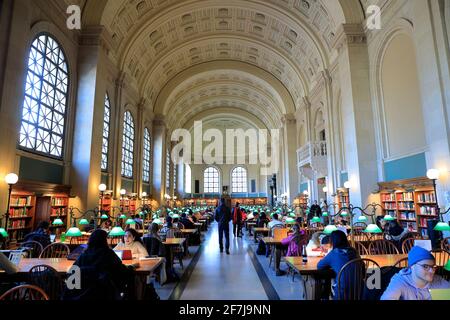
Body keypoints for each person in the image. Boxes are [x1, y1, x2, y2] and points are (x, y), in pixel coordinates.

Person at [64, 229, 136, 300]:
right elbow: (121, 271)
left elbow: (72, 274)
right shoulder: (108, 254)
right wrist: (131, 267)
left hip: (82, 296)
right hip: (104, 295)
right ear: (104, 241)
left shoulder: (84, 255)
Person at [381, 246, 450, 300]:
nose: (432, 271)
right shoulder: (400, 281)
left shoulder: (438, 281)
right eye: (425, 266)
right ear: (412, 267)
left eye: (433, 266)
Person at [317, 230, 361, 300]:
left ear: (333, 242)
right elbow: (363, 269)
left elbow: (319, 266)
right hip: (360, 291)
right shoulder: (354, 251)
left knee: (324, 282)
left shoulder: (334, 253)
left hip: (342, 294)